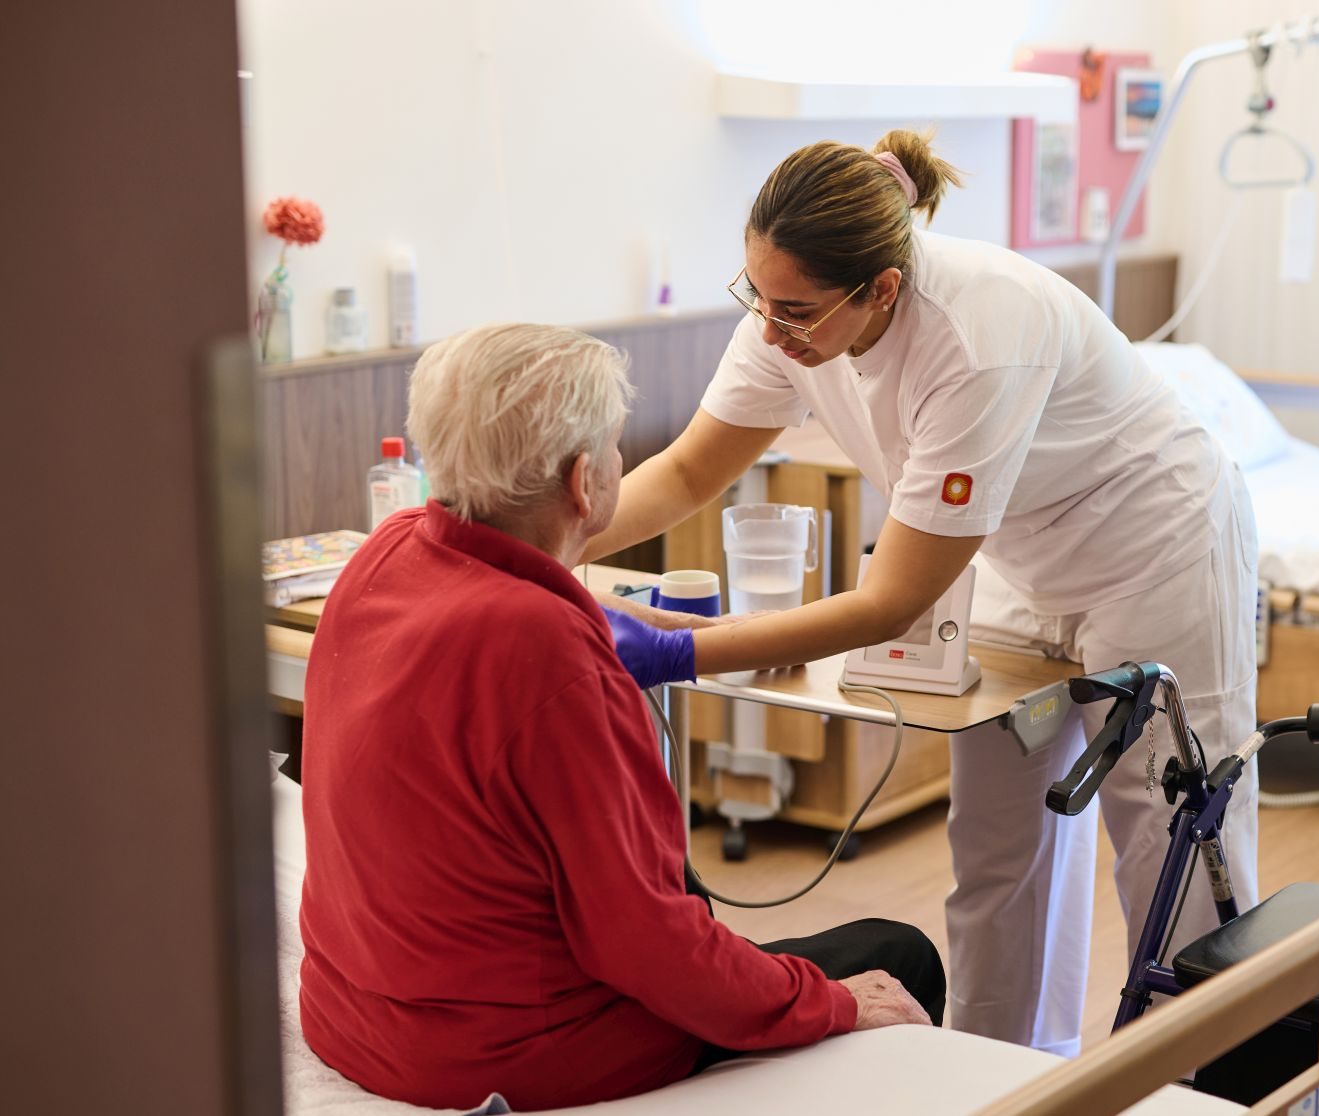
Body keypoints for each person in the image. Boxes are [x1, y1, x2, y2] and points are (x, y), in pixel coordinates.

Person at [579, 131, 1261, 1055]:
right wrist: (547, 538)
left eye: (795, 312)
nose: (772, 331)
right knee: (993, 847)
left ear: (882, 290)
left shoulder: (978, 335)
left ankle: (1207, 1085)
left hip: (1154, 543)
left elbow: (895, 598)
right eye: (758, 299)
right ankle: (996, 1077)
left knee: (1167, 843)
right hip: (1018, 553)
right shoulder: (790, 318)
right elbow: (688, 471)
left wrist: (679, 649)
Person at [298, 324, 944, 1111]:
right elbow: (646, 944)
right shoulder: (543, 654)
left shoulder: (390, 548)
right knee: (896, 956)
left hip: (355, 1014)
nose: (619, 463)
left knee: (688, 896)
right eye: (611, 447)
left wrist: (705, 639)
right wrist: (832, 1002)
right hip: (502, 1053)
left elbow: (553, 600)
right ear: (583, 483)